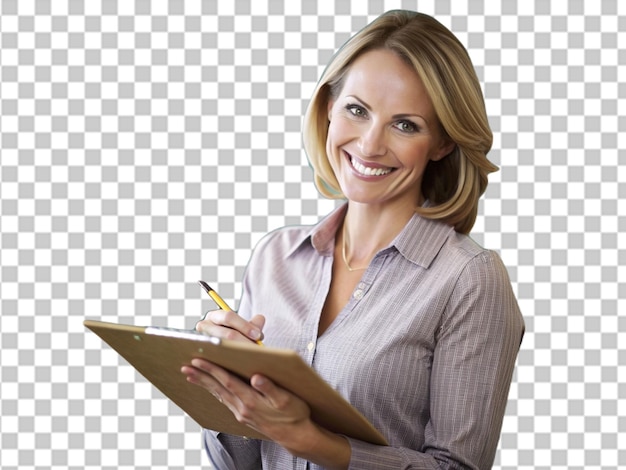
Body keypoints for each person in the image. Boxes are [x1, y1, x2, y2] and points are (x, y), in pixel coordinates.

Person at [181, 9, 524, 469]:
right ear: (328, 108)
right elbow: (240, 463)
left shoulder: (468, 280)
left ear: (442, 142)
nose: (368, 145)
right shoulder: (275, 257)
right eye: (357, 110)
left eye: (406, 124)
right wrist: (227, 389)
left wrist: (312, 441)